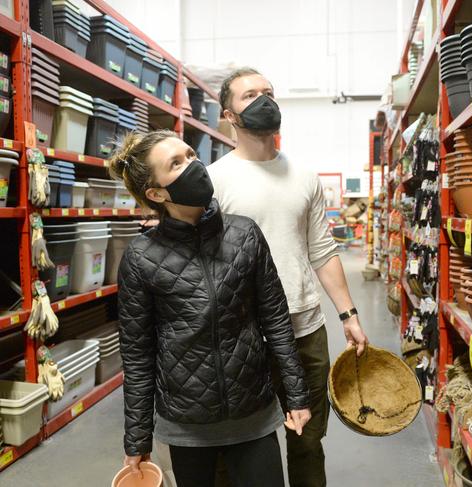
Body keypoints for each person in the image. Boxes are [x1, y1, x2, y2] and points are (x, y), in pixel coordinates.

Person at [109, 130, 312, 487]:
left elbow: (276, 321)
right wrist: (137, 438)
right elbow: (138, 355)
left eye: (189, 154)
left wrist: (296, 394)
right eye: (176, 164)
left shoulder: (244, 234)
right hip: (187, 424)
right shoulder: (141, 258)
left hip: (254, 413)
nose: (193, 164)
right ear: (156, 194)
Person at [207, 67, 370, 487]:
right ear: (228, 114)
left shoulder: (305, 177)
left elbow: (322, 251)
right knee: (237, 443)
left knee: (308, 439)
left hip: (305, 328)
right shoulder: (212, 181)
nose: (264, 100)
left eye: (269, 92)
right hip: (242, 334)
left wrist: (348, 315)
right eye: (249, 95)